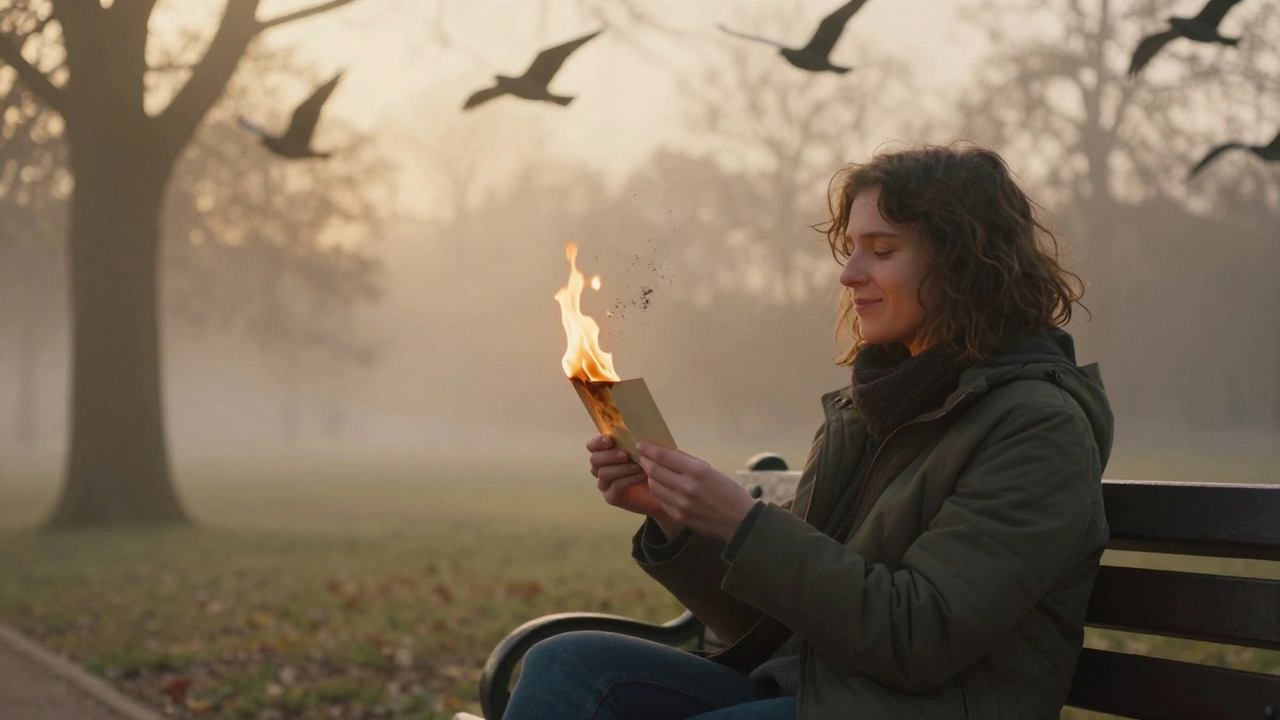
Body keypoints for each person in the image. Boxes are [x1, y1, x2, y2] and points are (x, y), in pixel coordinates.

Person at [503, 143, 1112, 720]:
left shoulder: (1038, 428)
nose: (849, 274)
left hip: (918, 710)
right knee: (566, 665)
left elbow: (919, 639)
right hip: (817, 691)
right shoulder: (869, 409)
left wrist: (746, 525)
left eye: (882, 249)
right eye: (851, 248)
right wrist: (676, 518)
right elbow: (774, 622)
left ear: (962, 263)